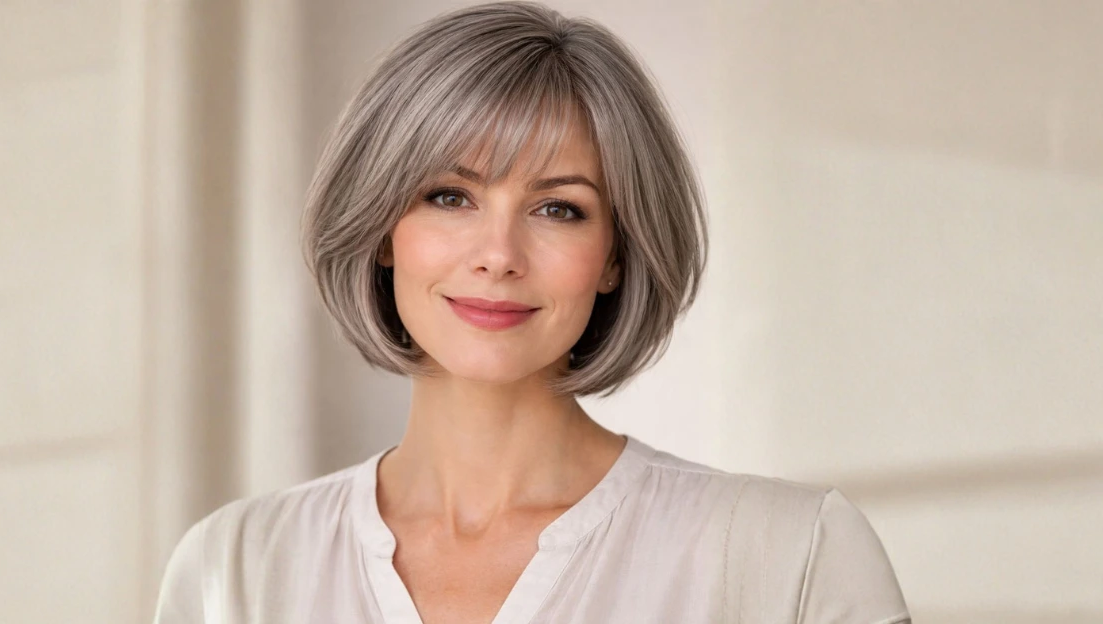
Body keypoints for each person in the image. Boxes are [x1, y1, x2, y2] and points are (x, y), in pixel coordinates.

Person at [153, 1, 910, 622]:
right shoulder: (235, 570)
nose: (499, 253)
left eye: (559, 208)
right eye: (450, 197)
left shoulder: (790, 558)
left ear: (617, 254)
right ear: (385, 230)